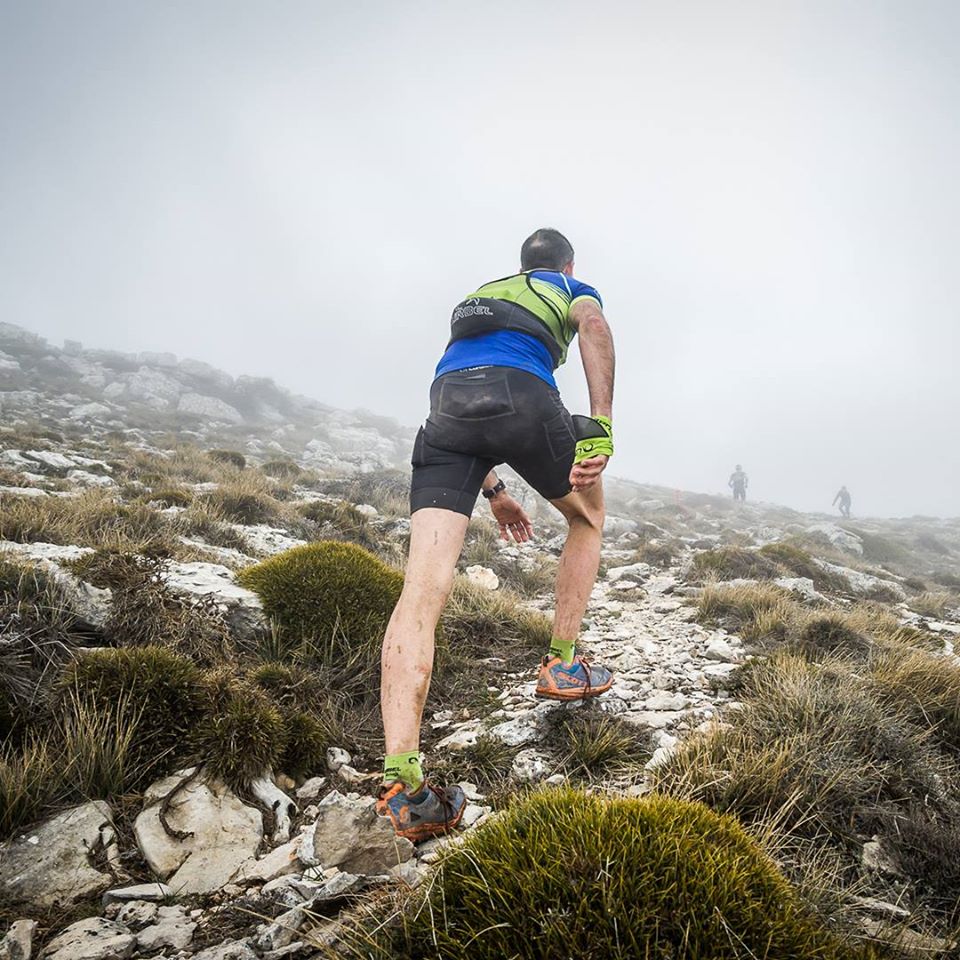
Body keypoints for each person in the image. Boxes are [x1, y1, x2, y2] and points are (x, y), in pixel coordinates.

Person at [376, 228, 616, 841]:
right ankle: (562, 664)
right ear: (566, 265)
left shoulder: (484, 293)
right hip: (523, 397)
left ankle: (405, 790)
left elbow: (475, 400)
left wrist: (496, 492)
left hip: (446, 410)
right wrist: (601, 425)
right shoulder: (568, 287)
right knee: (587, 518)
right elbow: (593, 328)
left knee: (421, 591)